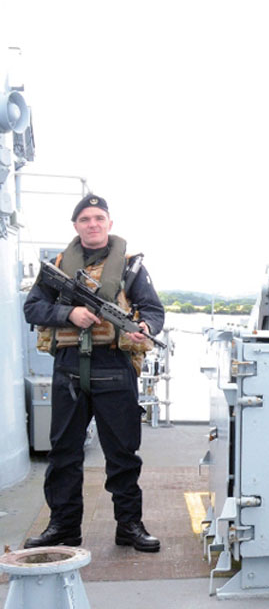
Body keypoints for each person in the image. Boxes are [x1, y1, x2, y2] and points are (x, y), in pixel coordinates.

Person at [22, 193, 164, 553]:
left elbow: (153, 311)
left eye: (99, 218)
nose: (93, 224)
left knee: (123, 454)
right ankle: (64, 528)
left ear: (109, 224)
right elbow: (33, 307)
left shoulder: (130, 267)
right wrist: (67, 315)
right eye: (85, 219)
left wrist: (144, 327)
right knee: (64, 454)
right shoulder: (56, 265)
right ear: (76, 226)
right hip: (69, 369)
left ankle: (129, 525)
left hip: (114, 367)